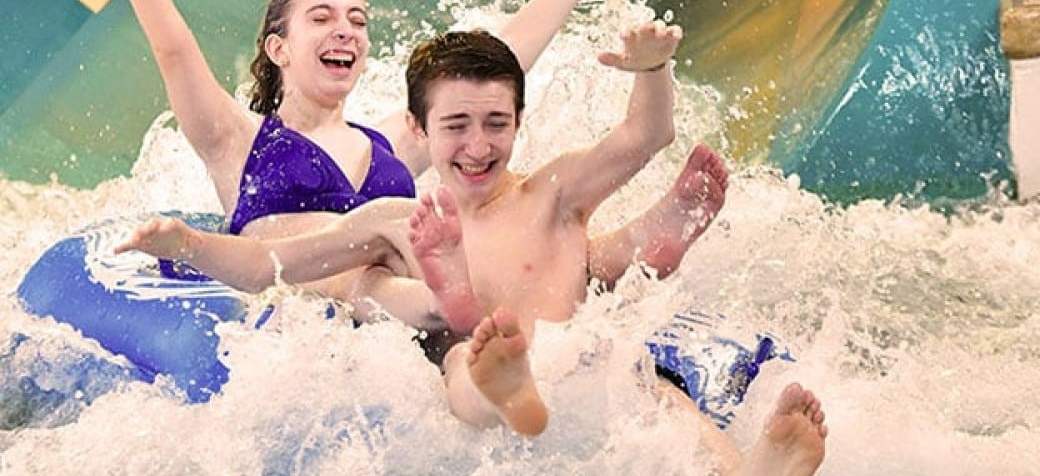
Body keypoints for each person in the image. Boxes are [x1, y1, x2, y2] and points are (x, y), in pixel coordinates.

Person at [117, 25, 824, 473]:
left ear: (520, 121)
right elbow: (274, 265)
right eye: (457, 125)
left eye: (496, 123)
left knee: (654, 392)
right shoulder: (399, 217)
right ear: (419, 132)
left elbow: (644, 136)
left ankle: (756, 469)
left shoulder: (552, 191)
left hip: (579, 356)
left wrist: (652, 69)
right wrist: (190, 244)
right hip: (471, 360)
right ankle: (508, 390)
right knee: (460, 362)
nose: (479, 145)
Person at [83, 0, 711, 301]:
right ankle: (579, 268)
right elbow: (172, 45)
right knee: (386, 246)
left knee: (505, 202)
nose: (346, 31)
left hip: (420, 288)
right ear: (278, 49)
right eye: (323, 18)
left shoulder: (390, 139)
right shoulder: (235, 138)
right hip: (348, 302)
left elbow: (498, 61)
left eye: (358, 20)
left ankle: (619, 249)